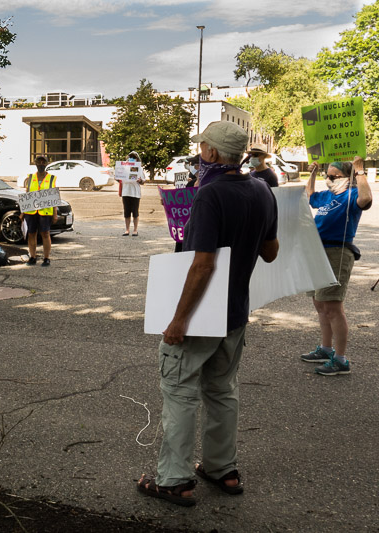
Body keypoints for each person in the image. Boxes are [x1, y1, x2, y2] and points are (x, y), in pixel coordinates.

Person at [137, 121, 279, 506]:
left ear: (212, 153)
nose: (200, 154)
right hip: (235, 314)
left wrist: (178, 320)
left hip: (201, 315)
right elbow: (271, 251)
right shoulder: (263, 189)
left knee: (180, 392)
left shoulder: (209, 195)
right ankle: (221, 469)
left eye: (202, 148)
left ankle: (175, 479)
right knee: (221, 391)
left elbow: (203, 265)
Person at [301, 157, 372, 376]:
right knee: (320, 304)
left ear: (347, 178)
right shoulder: (328, 196)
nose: (329, 179)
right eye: (327, 175)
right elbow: (309, 196)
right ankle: (326, 348)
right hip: (317, 252)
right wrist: (312, 173)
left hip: (337, 253)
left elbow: (366, 199)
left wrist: (360, 172)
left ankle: (341, 359)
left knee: (332, 307)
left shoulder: (351, 196)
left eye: (334, 176)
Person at [21, 155, 58, 266]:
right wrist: (22, 212)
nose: (41, 164)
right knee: (31, 234)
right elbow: (27, 194)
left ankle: (46, 258)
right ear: (35, 163)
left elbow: (54, 196)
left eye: (43, 162)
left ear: (46, 164)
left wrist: (55, 214)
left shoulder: (52, 178)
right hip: (31, 211)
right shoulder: (30, 177)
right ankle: (33, 257)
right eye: (39, 162)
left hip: (45, 211)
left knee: (45, 234)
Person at [173, 154, 200, 253]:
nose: (192, 166)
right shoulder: (190, 184)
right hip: (186, 224)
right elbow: (182, 204)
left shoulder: (208, 185)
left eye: (194, 164)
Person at [119, 151, 145, 236]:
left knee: (135, 212)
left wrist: (140, 180)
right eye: (130, 157)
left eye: (133, 158)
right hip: (126, 192)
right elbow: (119, 179)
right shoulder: (124, 168)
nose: (131, 159)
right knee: (126, 212)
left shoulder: (139, 169)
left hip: (135, 193)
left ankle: (135, 230)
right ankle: (127, 230)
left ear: (137, 159)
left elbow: (143, 181)